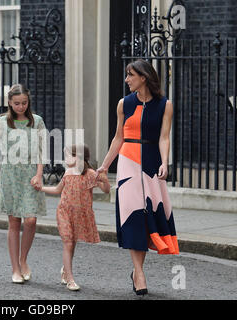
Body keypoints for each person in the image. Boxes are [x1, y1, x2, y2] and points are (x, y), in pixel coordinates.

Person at [97, 59, 179, 296]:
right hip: (128, 164)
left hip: (152, 163)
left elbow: (164, 137)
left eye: (130, 75)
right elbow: (118, 138)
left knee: (148, 216)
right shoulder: (124, 103)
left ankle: (137, 270)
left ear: (143, 77)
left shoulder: (165, 105)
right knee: (133, 215)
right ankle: (139, 272)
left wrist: (165, 162)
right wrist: (104, 166)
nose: (126, 80)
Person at [0, 84, 47, 284]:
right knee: (14, 222)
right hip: (10, 175)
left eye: (24, 103)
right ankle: (15, 268)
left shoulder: (37, 121)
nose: (21, 107)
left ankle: (23, 260)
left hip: (31, 175)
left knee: (30, 220)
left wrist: (39, 175)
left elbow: (42, 151)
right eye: (16, 103)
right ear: (9, 103)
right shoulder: (2, 122)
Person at [35, 145, 110, 291]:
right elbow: (57, 190)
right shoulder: (67, 173)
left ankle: (65, 270)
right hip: (64, 212)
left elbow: (106, 190)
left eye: (69, 156)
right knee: (68, 243)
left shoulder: (90, 173)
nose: (65, 159)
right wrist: (41, 188)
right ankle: (70, 279)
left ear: (79, 157)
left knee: (72, 243)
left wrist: (105, 180)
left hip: (79, 214)